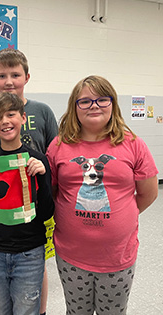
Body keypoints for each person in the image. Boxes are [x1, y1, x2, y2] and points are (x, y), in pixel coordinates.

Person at [46, 75, 158, 315]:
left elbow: (148, 193)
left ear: (113, 104)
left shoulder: (132, 144)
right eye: (85, 101)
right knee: (76, 312)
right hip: (71, 254)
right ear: (74, 107)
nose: (94, 105)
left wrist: (122, 214)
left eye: (101, 99)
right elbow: (54, 193)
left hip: (117, 256)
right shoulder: (58, 146)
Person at [0, 48, 58, 314]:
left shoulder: (42, 111)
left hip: (35, 214)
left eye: (15, 74)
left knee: (36, 271)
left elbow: (54, 157)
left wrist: (48, 187)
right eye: (1, 75)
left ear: (26, 77)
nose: (8, 81)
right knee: (1, 287)